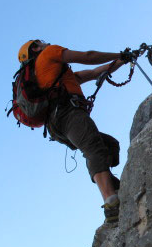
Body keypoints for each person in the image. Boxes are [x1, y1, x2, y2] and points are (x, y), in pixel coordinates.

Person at [17, 39, 128, 223]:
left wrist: (122, 61)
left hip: (55, 125)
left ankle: (112, 186)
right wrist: (118, 54)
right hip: (67, 113)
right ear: (36, 48)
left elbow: (94, 73)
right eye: (41, 42)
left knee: (109, 145)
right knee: (93, 148)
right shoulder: (49, 53)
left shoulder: (54, 76)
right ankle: (111, 202)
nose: (46, 43)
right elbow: (88, 57)